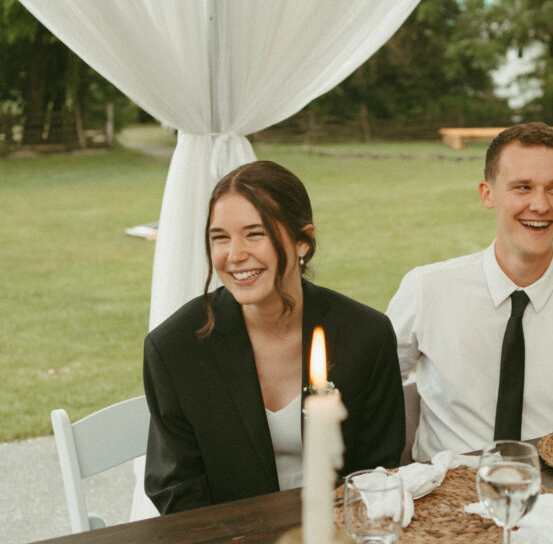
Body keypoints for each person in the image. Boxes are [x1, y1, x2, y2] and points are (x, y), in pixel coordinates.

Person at [143, 161, 405, 514]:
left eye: (255, 233)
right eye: (220, 237)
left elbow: (378, 470)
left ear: (303, 241)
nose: (234, 255)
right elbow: (177, 491)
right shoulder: (175, 348)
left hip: (340, 540)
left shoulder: (366, 335)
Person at [386, 122, 553, 461]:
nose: (541, 205)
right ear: (488, 193)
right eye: (523, 187)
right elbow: (373, 392)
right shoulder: (426, 289)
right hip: (443, 496)